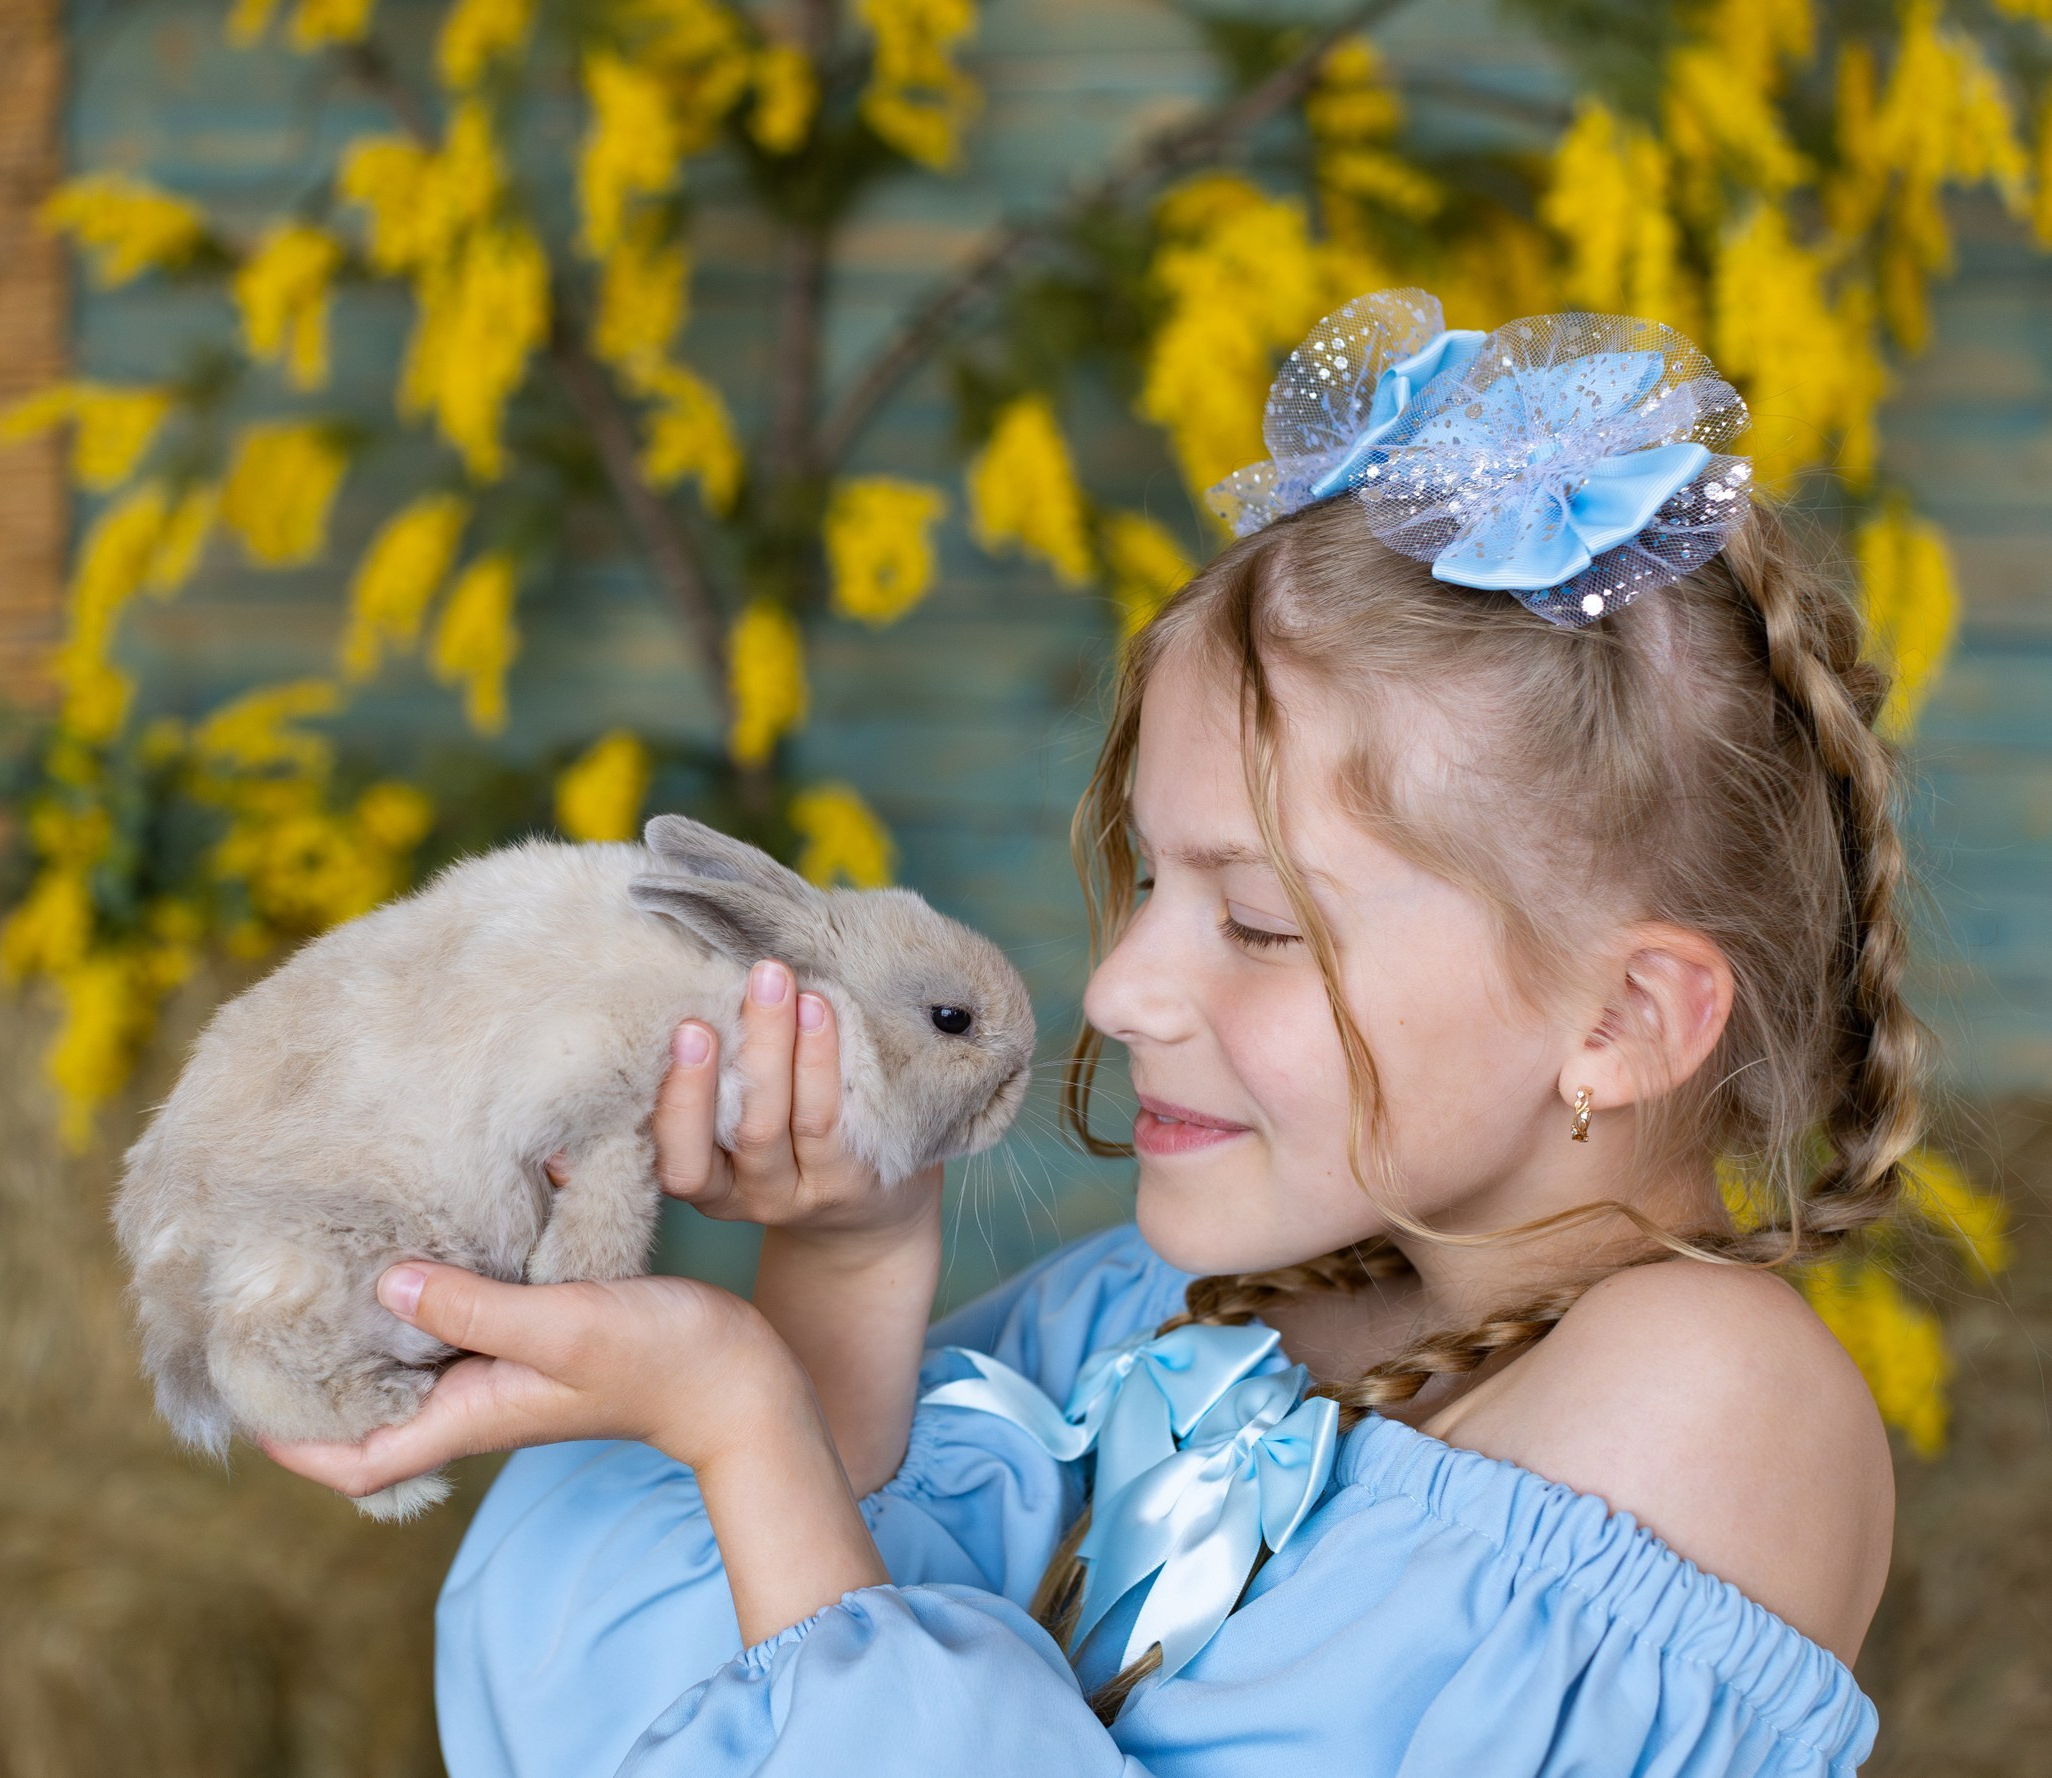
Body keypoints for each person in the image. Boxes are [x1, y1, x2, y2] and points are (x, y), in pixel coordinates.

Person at [266, 292, 1905, 1776]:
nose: (1118, 989)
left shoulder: (1708, 1400)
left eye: (1259, 924)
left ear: (1622, 1019)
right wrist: (843, 1266)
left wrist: (742, 1422)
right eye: (1142, 879)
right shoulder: (1179, 1305)